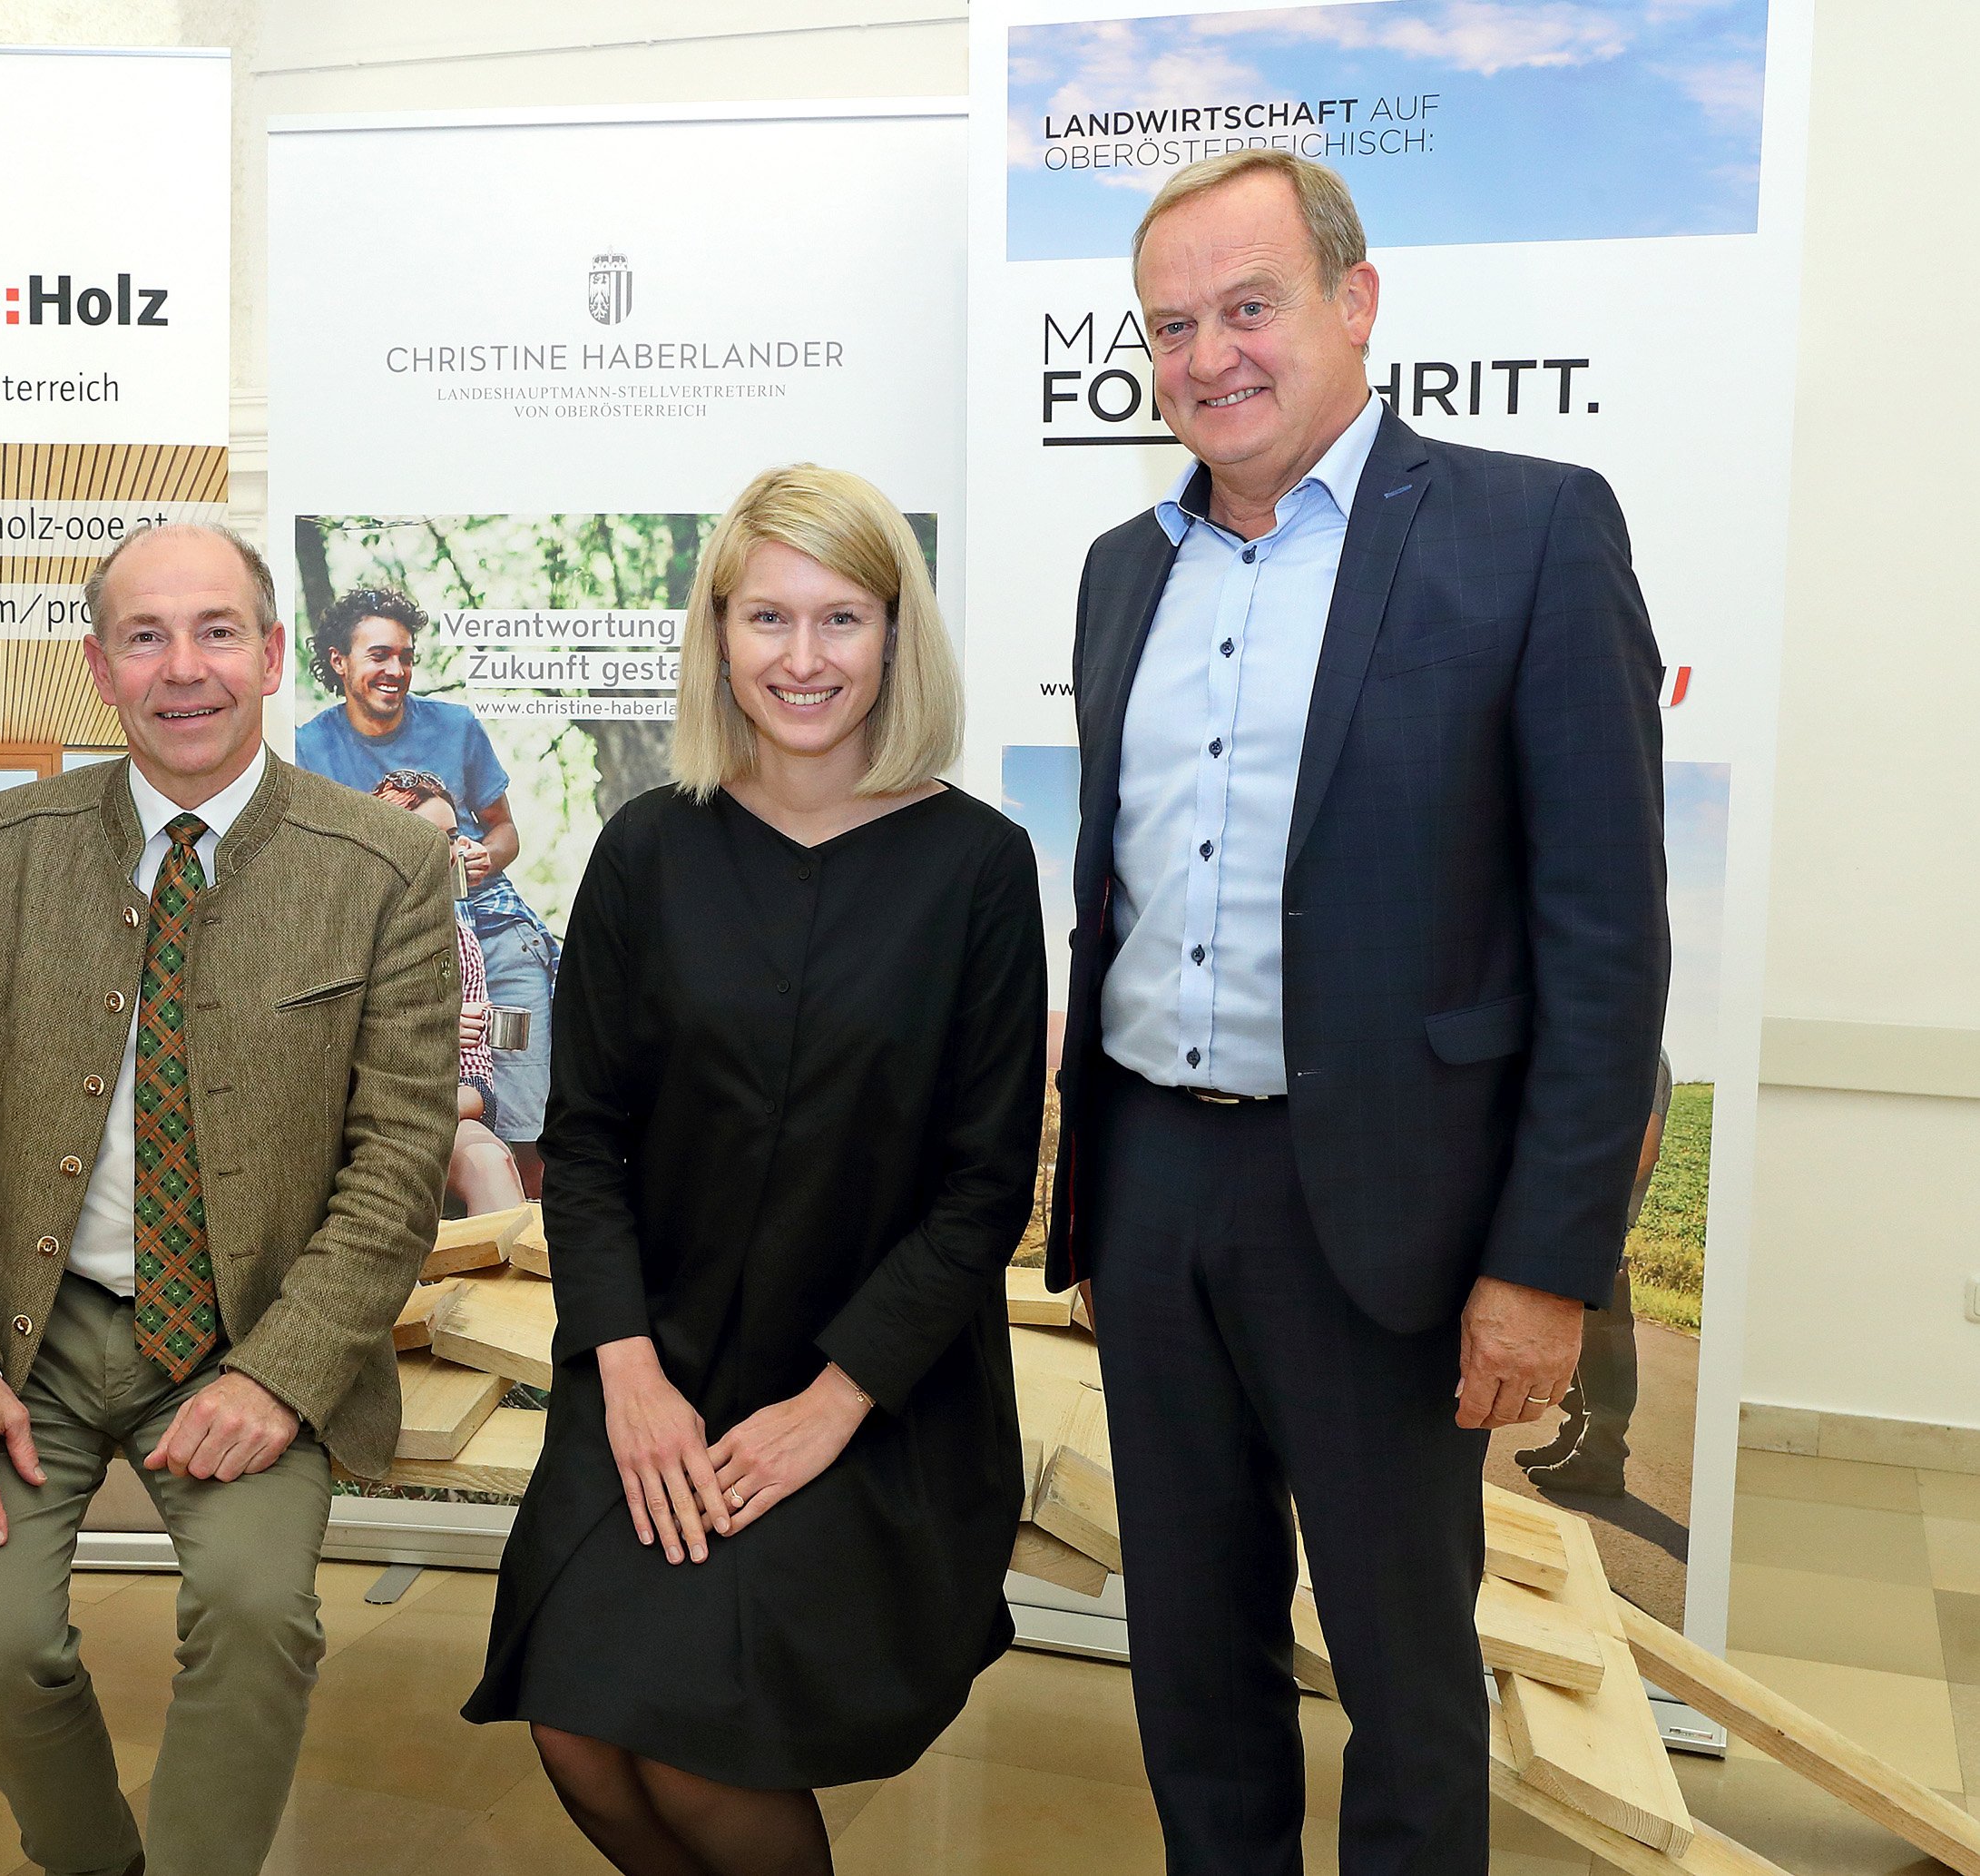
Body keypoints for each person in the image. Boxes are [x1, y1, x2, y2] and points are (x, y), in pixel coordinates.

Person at [1047, 150, 1669, 1873]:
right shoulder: (1120, 569)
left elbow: (1605, 941)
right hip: (1155, 1187)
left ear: (1356, 300)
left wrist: (1544, 1265)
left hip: (1389, 1208)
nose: (1209, 356)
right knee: (1192, 1653)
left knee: (1404, 1673)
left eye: (1249, 307)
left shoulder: (1530, 533)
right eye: (1173, 325)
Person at [466, 465, 1046, 1875]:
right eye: (768, 616)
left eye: (842, 617)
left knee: (691, 1745)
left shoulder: (979, 865)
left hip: (878, 1391)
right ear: (717, 634)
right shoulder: (647, 848)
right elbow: (583, 1142)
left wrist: (832, 1405)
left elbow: (983, 1189)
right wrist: (626, 1368)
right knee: (578, 1732)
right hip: (652, 1364)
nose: (803, 657)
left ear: (896, 636)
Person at [0, 523, 457, 1876]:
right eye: (144, 637)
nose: (182, 668)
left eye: (215, 632)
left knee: (257, 1615)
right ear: (99, 667)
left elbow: (397, 1166)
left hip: (254, 1333)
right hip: (30, 1329)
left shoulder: (385, 865)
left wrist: (281, 1372)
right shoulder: (4, 846)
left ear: (271, 654)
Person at [295, 585, 558, 1191]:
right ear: (339, 661)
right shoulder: (308, 747)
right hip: (386, 931)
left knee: (523, 1102)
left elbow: (505, 830)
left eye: (406, 656)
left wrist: (484, 856)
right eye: (380, 655)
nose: (397, 669)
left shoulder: (456, 726)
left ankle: (526, 1221)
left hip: (488, 922)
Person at [371, 768, 529, 1215]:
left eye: (453, 837)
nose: (451, 853)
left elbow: (478, 1085)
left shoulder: (461, 942)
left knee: (491, 1160)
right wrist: (427, 1033)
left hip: (440, 1111)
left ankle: (506, 1266)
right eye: (430, 839)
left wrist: (431, 1106)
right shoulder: (341, 934)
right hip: (351, 1122)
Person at [1521, 1052, 1678, 1498]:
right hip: (1590, 1219)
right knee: (1584, 1338)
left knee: (1606, 1344)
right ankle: (1577, 1437)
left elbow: (1643, 1149)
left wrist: (1591, 1213)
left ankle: (1602, 1459)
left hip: (1601, 1222)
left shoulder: (1647, 1054)